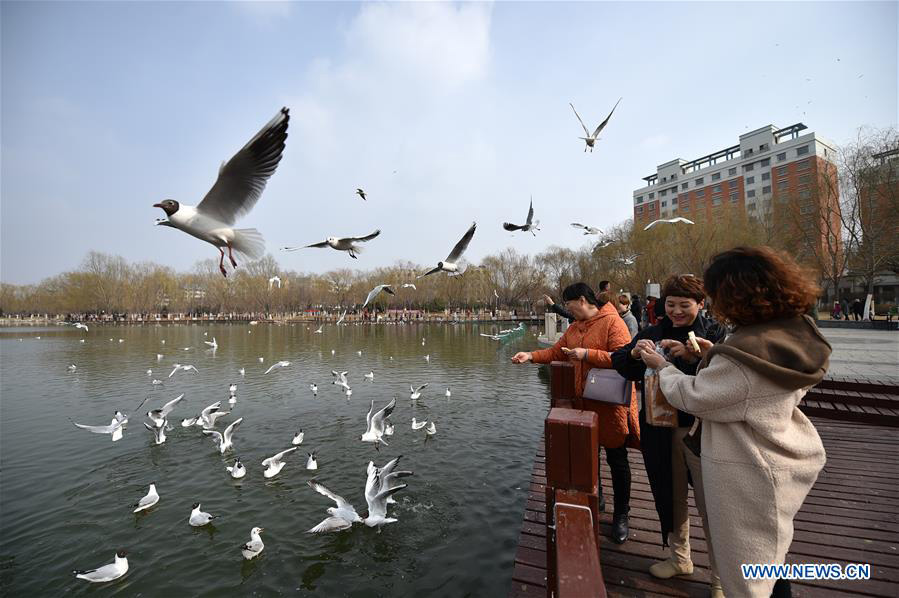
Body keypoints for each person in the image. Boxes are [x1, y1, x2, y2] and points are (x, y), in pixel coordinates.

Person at [637, 246, 829, 598]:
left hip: (747, 466)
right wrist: (712, 354)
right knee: (771, 558)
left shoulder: (745, 354)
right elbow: (751, 389)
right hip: (777, 454)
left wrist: (661, 366)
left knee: (750, 574)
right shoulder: (789, 333)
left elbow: (697, 396)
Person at [611, 275, 727, 596]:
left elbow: (724, 377)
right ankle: (681, 559)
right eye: (670, 304)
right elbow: (619, 360)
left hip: (702, 431)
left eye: (684, 305)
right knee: (671, 497)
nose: (676, 311)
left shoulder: (714, 334)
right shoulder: (652, 332)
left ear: (701, 305)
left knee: (712, 505)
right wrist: (636, 354)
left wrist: (699, 355)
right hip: (661, 431)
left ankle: (720, 579)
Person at [514, 283, 637, 544]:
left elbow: (625, 359)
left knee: (617, 458)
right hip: (585, 401)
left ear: (582, 300)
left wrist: (586, 354)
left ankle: (622, 515)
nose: (568, 310)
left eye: (569, 305)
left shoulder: (613, 324)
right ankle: (598, 497)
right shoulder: (574, 327)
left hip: (611, 404)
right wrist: (531, 356)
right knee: (591, 455)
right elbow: (557, 352)